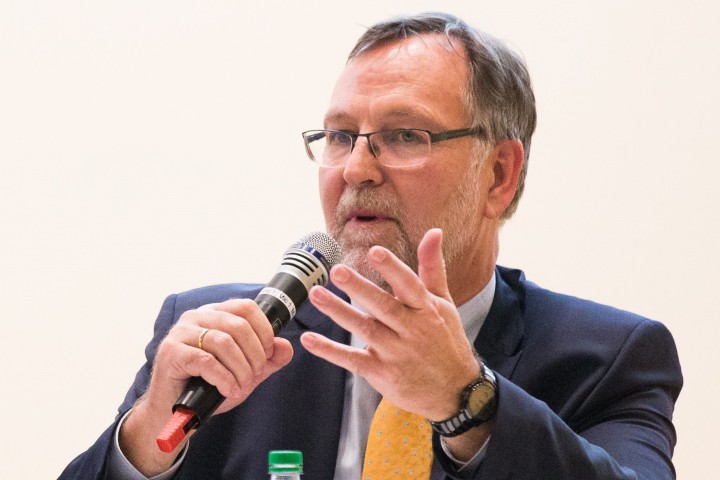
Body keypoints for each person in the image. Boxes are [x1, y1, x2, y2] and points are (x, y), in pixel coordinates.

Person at [60, 12, 682, 480]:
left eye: (404, 135)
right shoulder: (222, 340)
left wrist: (469, 401)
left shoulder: (609, 358)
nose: (356, 168)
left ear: (498, 174)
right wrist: (143, 439)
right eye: (337, 136)